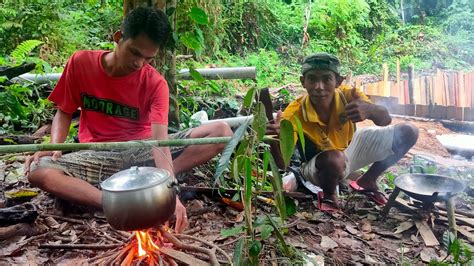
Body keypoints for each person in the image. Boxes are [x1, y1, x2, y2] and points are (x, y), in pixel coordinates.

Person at [24, 7, 233, 232]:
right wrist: (55, 146)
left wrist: (170, 192)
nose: (139, 63)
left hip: (141, 152)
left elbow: (159, 143)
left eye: (148, 58)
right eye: (135, 52)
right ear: (118, 38)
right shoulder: (80, 63)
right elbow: (64, 111)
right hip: (95, 154)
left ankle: (152, 185)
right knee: (38, 170)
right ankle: (112, 202)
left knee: (221, 131)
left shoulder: (155, 83)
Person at [268, 52, 418, 210]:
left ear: (338, 82)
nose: (319, 87)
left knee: (408, 131)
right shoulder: (294, 113)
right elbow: (282, 164)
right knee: (334, 159)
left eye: (326, 79)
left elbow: (385, 120)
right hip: (317, 166)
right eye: (312, 79)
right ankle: (329, 195)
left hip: (350, 148)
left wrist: (371, 109)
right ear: (303, 82)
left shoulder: (349, 96)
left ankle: (367, 180)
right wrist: (275, 141)